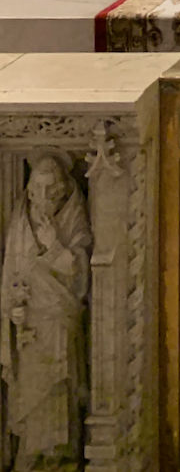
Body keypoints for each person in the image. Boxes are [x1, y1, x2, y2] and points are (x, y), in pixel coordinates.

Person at [0, 155, 92, 470]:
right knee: (30, 388)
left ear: (62, 191)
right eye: (37, 189)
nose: (43, 197)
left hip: (59, 318)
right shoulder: (20, 223)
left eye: (51, 190)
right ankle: (30, 452)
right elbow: (11, 272)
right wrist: (12, 309)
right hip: (29, 325)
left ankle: (59, 455)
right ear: (29, 191)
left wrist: (54, 246)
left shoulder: (74, 221)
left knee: (58, 385)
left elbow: (80, 276)